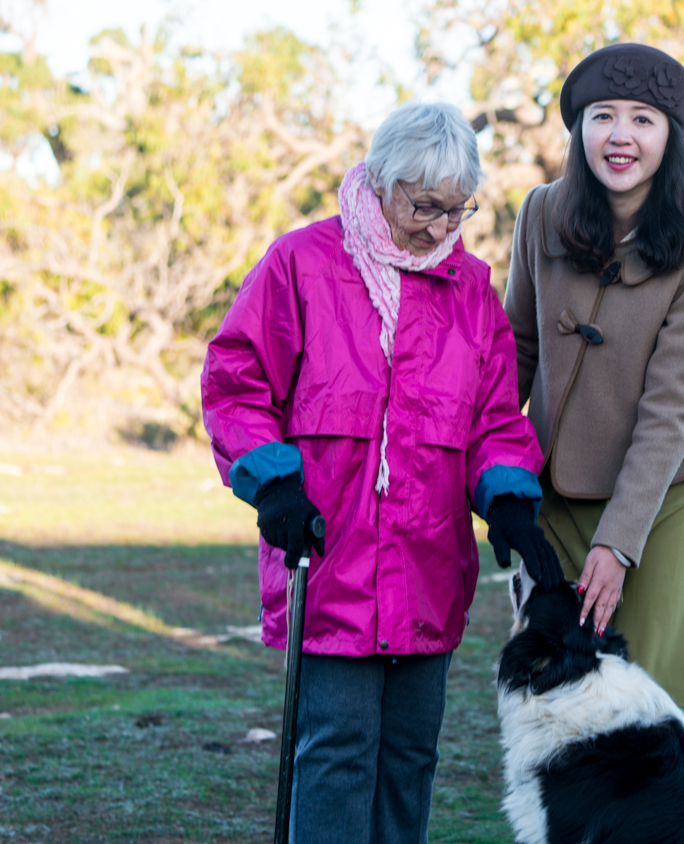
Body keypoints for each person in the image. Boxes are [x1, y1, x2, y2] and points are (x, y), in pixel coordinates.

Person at [201, 101, 559, 844]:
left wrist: (510, 500)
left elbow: (493, 420)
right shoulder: (302, 264)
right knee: (335, 755)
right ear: (379, 181)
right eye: (423, 206)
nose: (439, 228)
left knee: (408, 759)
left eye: (457, 211)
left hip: (429, 567)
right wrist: (273, 484)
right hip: (329, 559)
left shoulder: (470, 292)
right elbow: (237, 382)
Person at [503, 43, 684, 708]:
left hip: (662, 501)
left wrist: (619, 543)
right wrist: (490, 476)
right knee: (555, 699)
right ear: (581, 131)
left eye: (643, 119)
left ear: (670, 137)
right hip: (556, 494)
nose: (621, 136)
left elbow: (672, 410)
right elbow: (514, 354)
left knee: (641, 707)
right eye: (603, 116)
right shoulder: (541, 212)